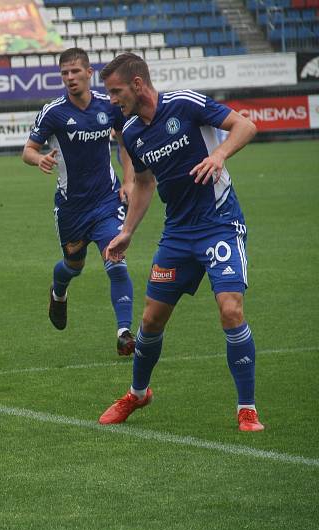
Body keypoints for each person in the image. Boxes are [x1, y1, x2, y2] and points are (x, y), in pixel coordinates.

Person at [97, 53, 262, 431]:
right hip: (177, 233)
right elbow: (143, 183)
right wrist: (127, 232)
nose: (112, 100)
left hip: (219, 223)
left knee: (231, 310)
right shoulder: (134, 133)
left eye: (116, 91)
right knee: (151, 319)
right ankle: (138, 394)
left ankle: (247, 409)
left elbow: (245, 126)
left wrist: (219, 154)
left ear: (137, 85)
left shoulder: (184, 104)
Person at [22, 48, 137, 356]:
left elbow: (124, 142)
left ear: (89, 73)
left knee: (115, 260)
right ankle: (58, 292)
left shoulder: (108, 106)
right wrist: (39, 160)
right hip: (71, 207)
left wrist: (128, 180)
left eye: (75, 72)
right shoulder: (54, 112)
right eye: (64, 73)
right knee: (74, 265)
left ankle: (124, 332)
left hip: (106, 201)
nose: (69, 78)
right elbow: (28, 150)